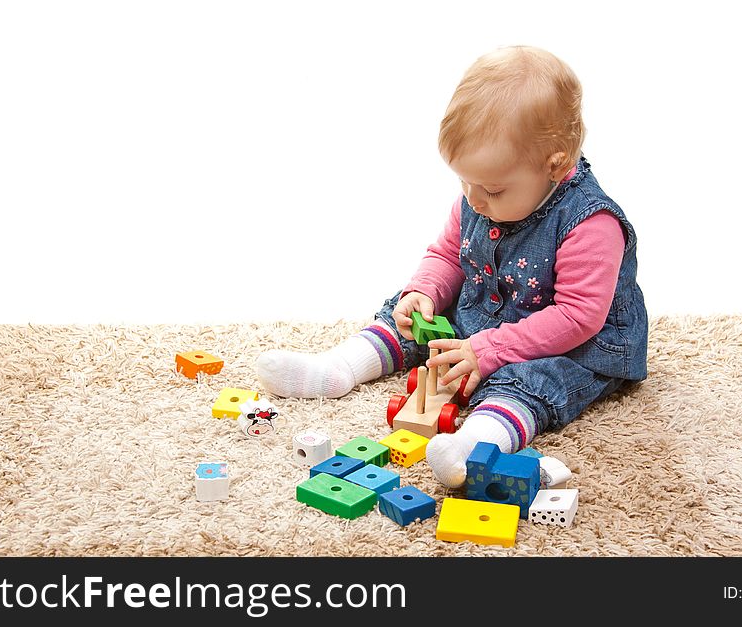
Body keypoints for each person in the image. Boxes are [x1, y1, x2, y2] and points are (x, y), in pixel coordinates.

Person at [256, 46, 648, 487]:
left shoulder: (591, 222)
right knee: (414, 321)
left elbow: (578, 317)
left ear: (554, 168)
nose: (475, 199)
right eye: (465, 181)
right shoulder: (480, 195)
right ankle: (338, 368)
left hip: (565, 341)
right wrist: (422, 293)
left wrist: (490, 351)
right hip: (484, 316)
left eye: (494, 190)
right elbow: (447, 254)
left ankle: (474, 443)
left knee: (531, 382)